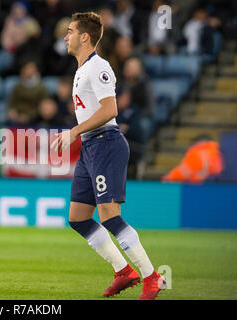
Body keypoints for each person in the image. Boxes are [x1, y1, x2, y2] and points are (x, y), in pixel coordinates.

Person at [51, 12, 166, 300]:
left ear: (84, 36)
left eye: (70, 31)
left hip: (106, 144)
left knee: (110, 217)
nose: (65, 36)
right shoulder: (81, 70)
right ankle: (123, 271)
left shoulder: (98, 67)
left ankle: (153, 277)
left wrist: (74, 131)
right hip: (91, 148)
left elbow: (110, 109)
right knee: (78, 218)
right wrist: (79, 134)